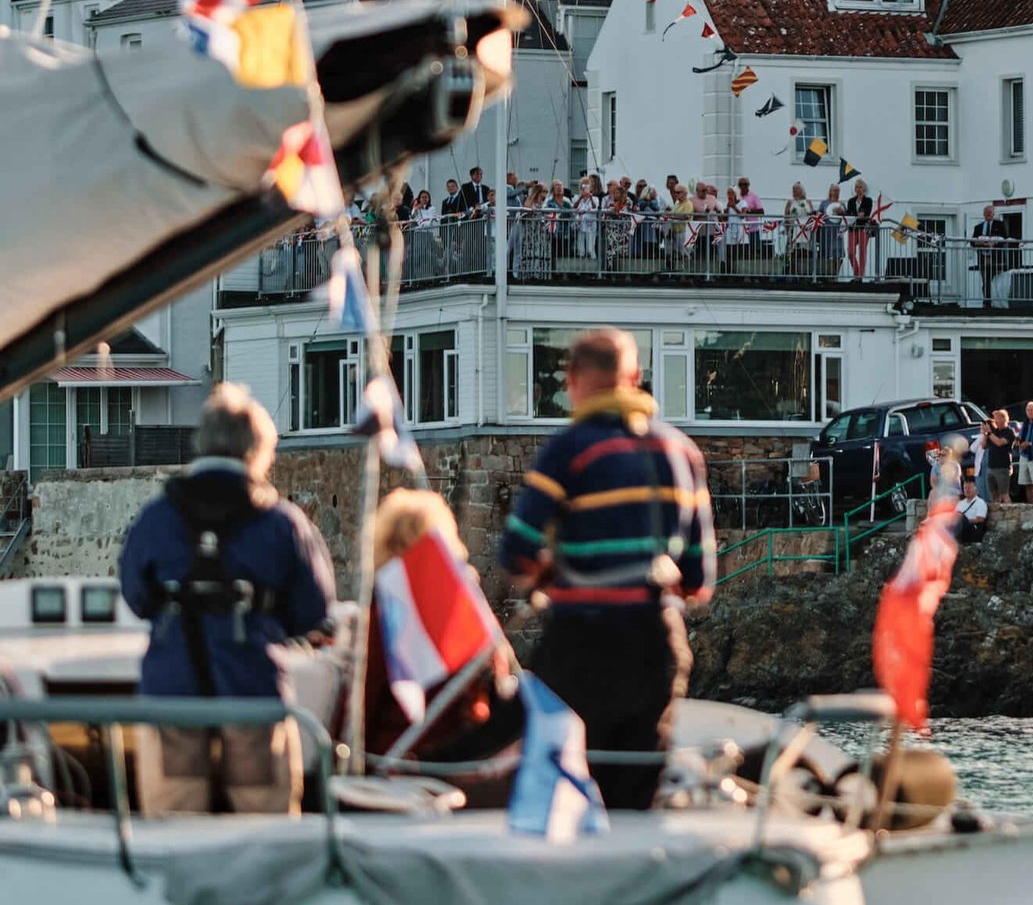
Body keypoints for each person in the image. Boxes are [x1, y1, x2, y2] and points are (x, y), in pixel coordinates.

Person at [500, 329, 714, 810]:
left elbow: (516, 551)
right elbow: (698, 582)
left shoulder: (569, 449)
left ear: (572, 381)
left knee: (564, 779)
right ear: (635, 379)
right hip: (656, 644)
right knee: (636, 791)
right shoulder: (681, 453)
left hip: (581, 643)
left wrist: (552, 568)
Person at [119, 384, 335, 816]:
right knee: (264, 824)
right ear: (257, 450)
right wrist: (264, 623)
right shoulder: (282, 522)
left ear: (203, 443)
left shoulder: (157, 517)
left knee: (174, 822)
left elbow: (136, 596)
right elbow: (315, 607)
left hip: (172, 690)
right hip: (252, 687)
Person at [364, 490, 522, 777]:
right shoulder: (471, 610)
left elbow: (363, 704)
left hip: (399, 764)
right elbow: (499, 678)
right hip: (468, 761)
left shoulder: (388, 616)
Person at [972, 205, 1006, 308]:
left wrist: (994, 244)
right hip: (983, 257)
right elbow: (972, 242)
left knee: (995, 280)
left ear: (993, 214)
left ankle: (995, 301)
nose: (988, 215)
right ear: (983, 214)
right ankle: (987, 302)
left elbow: (1004, 239)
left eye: (990, 213)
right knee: (985, 280)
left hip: (996, 258)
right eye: (986, 213)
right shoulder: (978, 227)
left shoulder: (1000, 225)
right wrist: (981, 244)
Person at [1015, 401, 1033, 504]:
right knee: (1027, 483)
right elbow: (1021, 436)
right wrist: (1018, 440)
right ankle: (1031, 506)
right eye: (1027, 410)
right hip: (1024, 455)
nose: (1029, 412)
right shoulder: (1025, 423)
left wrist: (1029, 443)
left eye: (1032, 410)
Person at [985, 408, 1015, 505]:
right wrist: (985, 434)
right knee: (994, 494)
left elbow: (999, 442)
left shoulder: (1009, 432)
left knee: (1004, 494)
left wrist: (990, 433)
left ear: (1004, 419)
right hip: (991, 466)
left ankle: (1009, 513)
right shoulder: (995, 432)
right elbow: (983, 445)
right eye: (994, 418)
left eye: (997, 418)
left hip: (1002, 467)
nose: (995, 421)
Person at [846, 179, 875, 279]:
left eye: (860, 187)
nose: (858, 189)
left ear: (864, 189)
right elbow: (849, 213)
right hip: (852, 228)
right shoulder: (851, 201)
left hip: (863, 228)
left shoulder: (868, 200)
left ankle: (860, 276)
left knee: (862, 251)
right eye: (857, 187)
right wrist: (857, 215)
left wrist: (860, 215)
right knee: (850, 252)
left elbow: (867, 214)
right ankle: (856, 271)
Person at [815, 184, 845, 277]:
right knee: (826, 253)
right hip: (826, 232)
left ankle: (835, 275)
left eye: (837, 190)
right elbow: (818, 214)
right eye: (834, 190)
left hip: (837, 232)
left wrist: (842, 212)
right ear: (830, 191)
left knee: (838, 253)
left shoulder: (842, 204)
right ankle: (827, 275)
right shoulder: (824, 203)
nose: (836, 192)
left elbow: (847, 218)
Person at [737, 176, 765, 263]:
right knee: (742, 251)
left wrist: (748, 211)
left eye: (745, 184)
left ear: (748, 185)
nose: (743, 186)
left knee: (755, 251)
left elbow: (761, 211)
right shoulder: (737, 197)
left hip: (753, 228)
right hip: (740, 229)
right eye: (741, 184)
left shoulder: (754, 196)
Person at [955, 476, 988, 543]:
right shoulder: (960, 503)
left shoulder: (980, 502)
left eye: (969, 488)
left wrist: (964, 521)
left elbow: (980, 519)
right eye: (965, 488)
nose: (967, 490)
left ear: (975, 488)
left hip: (972, 529)